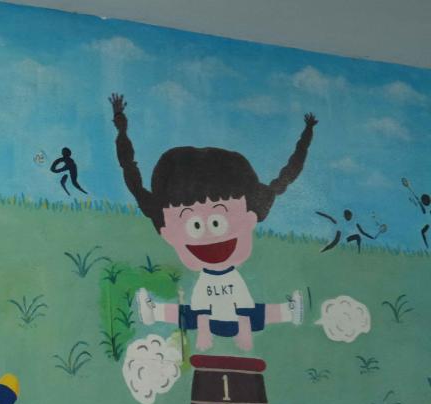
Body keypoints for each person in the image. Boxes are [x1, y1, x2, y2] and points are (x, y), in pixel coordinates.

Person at [110, 93, 310, 352]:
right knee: (197, 315)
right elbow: (131, 173)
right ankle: (154, 312)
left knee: (246, 313)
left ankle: (287, 312)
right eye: (193, 225)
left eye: (218, 221)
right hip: (208, 309)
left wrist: (307, 134)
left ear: (250, 218)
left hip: (236, 311)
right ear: (168, 232)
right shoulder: (203, 279)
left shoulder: (233, 276)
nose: (208, 234)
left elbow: (288, 173)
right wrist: (120, 124)